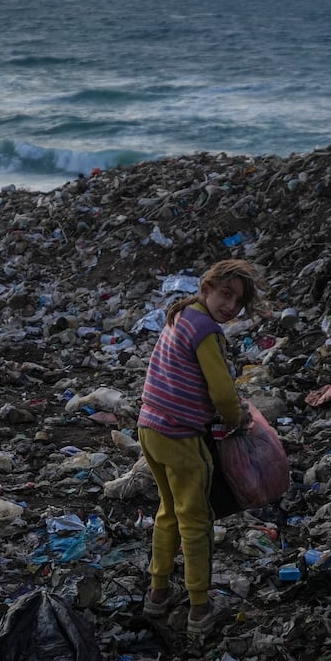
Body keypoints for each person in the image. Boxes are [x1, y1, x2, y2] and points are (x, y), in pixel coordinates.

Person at [136, 258, 266, 636]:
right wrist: (234, 419)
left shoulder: (181, 315)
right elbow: (223, 391)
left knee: (168, 512)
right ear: (206, 287)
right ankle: (199, 608)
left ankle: (157, 593)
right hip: (179, 436)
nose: (230, 306)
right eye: (225, 294)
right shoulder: (206, 329)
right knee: (196, 520)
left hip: (150, 427)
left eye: (238, 303)